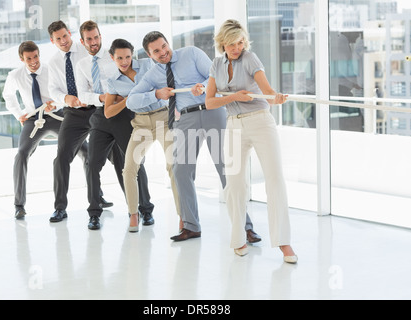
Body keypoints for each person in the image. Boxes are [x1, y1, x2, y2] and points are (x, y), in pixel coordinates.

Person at [127, 31, 261, 243]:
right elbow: (131, 101)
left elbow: (217, 78)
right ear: (150, 55)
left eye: (164, 46)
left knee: (226, 169)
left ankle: (245, 228)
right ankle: (191, 226)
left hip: (212, 111)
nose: (163, 52)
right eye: (156, 51)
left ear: (167, 43)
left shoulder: (191, 53)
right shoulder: (153, 75)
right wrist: (156, 94)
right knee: (181, 170)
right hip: (186, 119)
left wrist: (207, 87)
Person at [205, 19, 297, 263]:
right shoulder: (216, 64)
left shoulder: (250, 59)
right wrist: (234, 97)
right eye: (232, 44)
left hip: (260, 121)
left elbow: (267, 91)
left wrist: (276, 98)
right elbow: (209, 102)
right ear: (222, 44)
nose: (237, 47)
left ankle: (284, 242)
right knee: (234, 185)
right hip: (234, 125)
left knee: (274, 178)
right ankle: (238, 239)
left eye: (240, 42)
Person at [76, 21, 154, 230]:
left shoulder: (120, 57)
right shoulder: (83, 64)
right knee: (92, 164)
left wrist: (125, 98)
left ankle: (145, 209)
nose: (93, 42)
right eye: (89, 39)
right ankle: (94, 213)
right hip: (101, 116)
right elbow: (82, 94)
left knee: (133, 163)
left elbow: (132, 87)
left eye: (96, 37)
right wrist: (103, 97)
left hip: (124, 116)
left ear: (100, 36)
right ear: (82, 41)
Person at [105, 38, 181, 232]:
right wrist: (130, 99)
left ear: (134, 54)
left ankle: (183, 215)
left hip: (163, 118)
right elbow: (108, 112)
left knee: (173, 165)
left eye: (128, 56)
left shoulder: (148, 64)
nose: (124, 61)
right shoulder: (112, 82)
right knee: (129, 168)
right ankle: (133, 214)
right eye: (120, 58)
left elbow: (167, 84)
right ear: (112, 58)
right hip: (140, 123)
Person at [47, 20, 113, 224]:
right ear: (53, 41)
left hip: (97, 109)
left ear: (70, 34)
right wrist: (65, 98)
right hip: (74, 113)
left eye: (65, 36)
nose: (63, 41)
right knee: (61, 157)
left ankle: (116, 201)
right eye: (58, 39)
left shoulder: (86, 50)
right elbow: (53, 90)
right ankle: (60, 208)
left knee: (113, 155)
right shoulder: (53, 63)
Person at [2, 41, 76, 219]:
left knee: (84, 148)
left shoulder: (51, 70)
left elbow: (65, 91)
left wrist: (56, 103)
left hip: (57, 115)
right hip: (33, 119)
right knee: (21, 154)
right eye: (29, 58)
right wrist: (19, 114)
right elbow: (8, 95)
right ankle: (19, 205)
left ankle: (98, 196)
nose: (34, 61)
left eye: (36, 56)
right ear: (22, 59)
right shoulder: (15, 75)